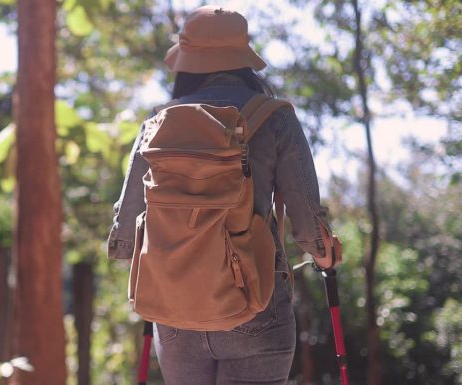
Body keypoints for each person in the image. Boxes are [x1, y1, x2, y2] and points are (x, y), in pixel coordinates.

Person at [107, 5, 340, 385]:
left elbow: (124, 238)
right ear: (243, 61)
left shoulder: (156, 123)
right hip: (255, 304)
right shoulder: (274, 117)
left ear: (186, 62)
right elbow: (309, 226)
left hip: (175, 311)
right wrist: (325, 254)